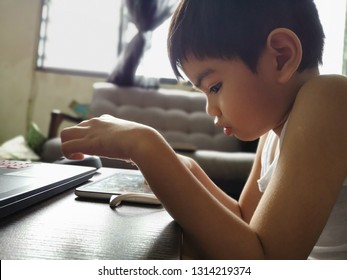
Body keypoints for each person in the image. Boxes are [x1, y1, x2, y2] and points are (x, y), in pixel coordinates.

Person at [60, 0, 347, 259]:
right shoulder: (273, 133)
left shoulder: (330, 97)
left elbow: (262, 263)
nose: (210, 109)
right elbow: (245, 220)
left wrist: (145, 145)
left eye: (215, 87)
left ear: (281, 57)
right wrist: (184, 169)